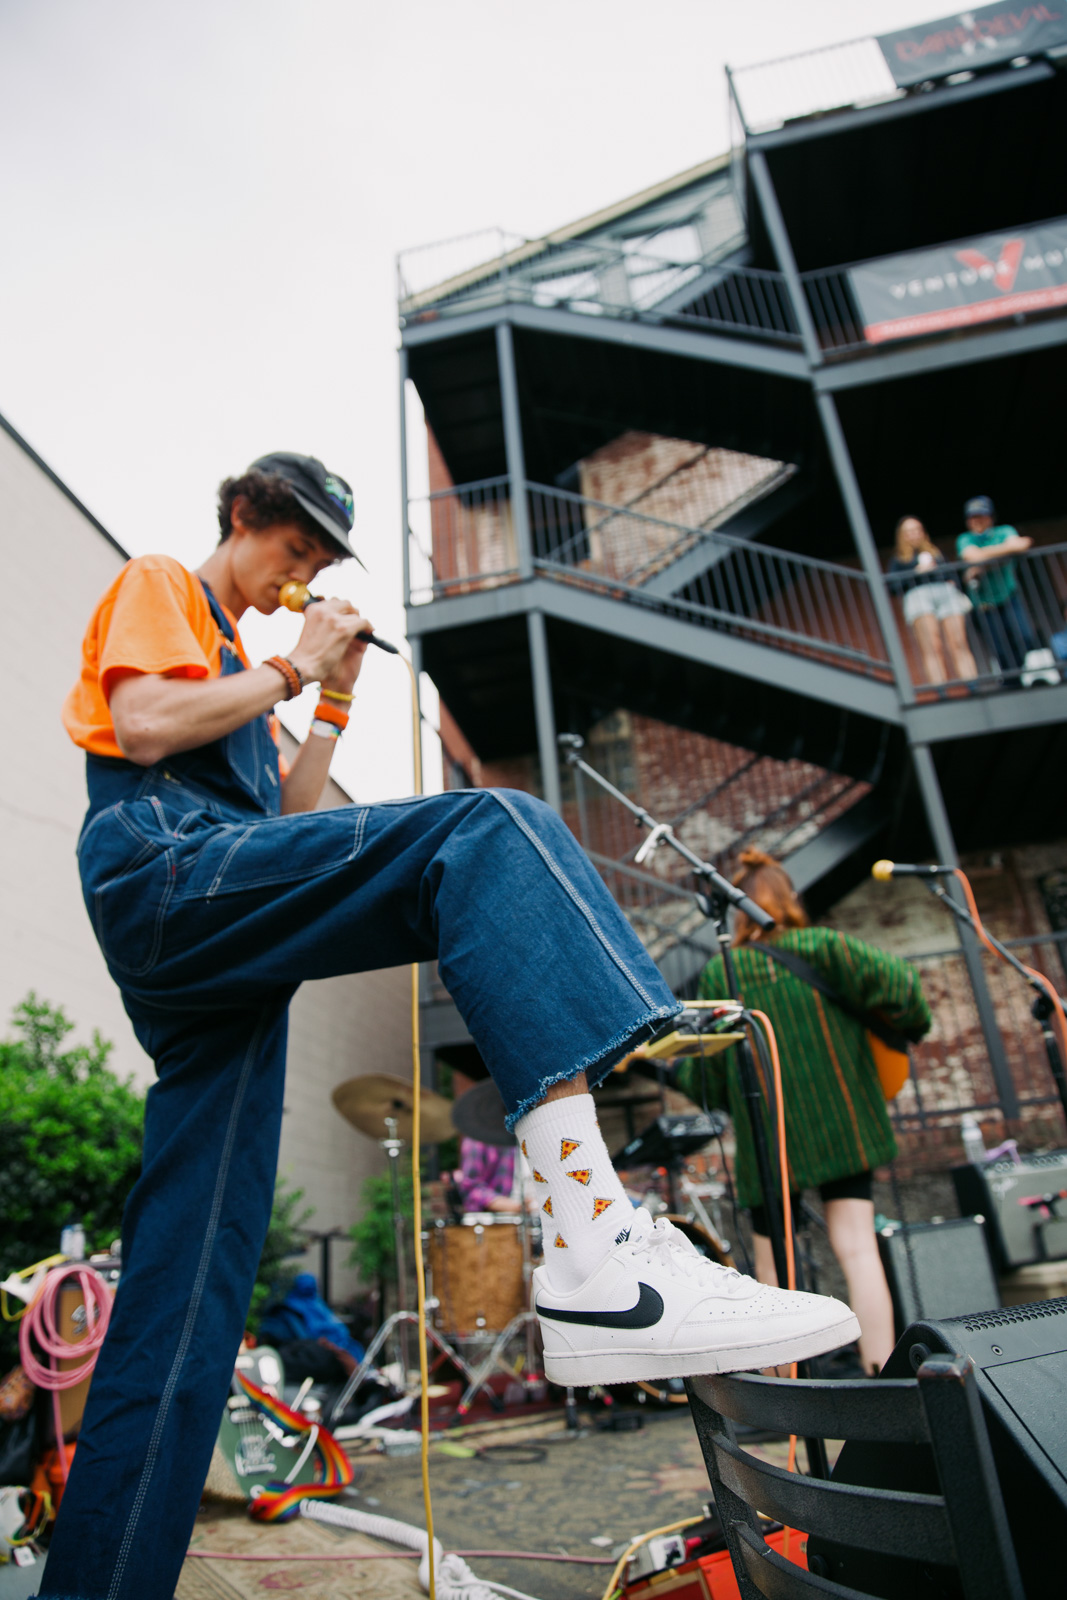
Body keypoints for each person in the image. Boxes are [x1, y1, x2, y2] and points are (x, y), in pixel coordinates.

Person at [47, 453, 857, 1599]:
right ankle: (592, 1246)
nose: (307, 570)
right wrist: (289, 665)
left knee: (193, 1292)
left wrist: (325, 701)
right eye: (296, 547)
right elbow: (140, 723)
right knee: (483, 832)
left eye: (323, 559)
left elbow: (280, 819)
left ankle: (100, 1581)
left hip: (225, 929)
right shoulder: (162, 582)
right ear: (243, 517)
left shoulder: (251, 668)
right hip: (163, 871)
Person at [674, 849, 931, 1376]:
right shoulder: (825, 947)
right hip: (846, 1123)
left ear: (740, 911)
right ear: (789, 899)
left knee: (773, 1265)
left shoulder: (726, 970)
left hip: (770, 1135)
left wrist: (723, 1095)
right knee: (858, 1248)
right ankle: (882, 1371)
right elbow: (904, 988)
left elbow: (705, 1072)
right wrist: (899, 1030)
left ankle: (788, 1388)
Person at [887, 515, 978, 687]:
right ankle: (941, 691)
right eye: (909, 531)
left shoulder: (935, 553)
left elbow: (952, 575)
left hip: (945, 592)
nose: (914, 534)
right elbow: (893, 586)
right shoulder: (898, 560)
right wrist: (916, 572)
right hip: (918, 596)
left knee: (958, 643)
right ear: (902, 535)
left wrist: (950, 579)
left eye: (916, 530)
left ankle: (973, 686)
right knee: (933, 646)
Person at [956, 494, 1037, 676]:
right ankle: (1011, 679)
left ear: (991, 517)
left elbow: (1023, 544)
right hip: (984, 604)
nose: (977, 521)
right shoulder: (964, 539)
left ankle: (1019, 673)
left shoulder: (1004, 531)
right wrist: (1002, 554)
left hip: (1009, 595)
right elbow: (972, 556)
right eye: (972, 517)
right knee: (999, 648)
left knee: (1025, 637)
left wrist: (985, 559)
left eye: (981, 516)